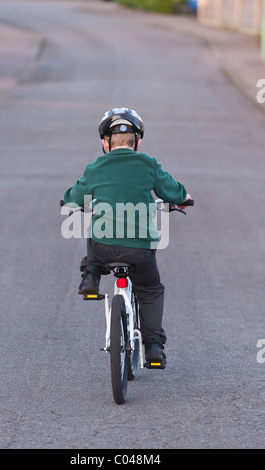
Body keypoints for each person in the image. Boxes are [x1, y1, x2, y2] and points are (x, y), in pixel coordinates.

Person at [63, 108, 191, 366]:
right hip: (139, 250)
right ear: (138, 142)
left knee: (96, 230)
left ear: (105, 144)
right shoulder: (148, 164)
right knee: (150, 290)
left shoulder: (96, 167)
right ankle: (153, 348)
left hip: (103, 248)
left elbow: (73, 198)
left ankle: (91, 275)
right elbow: (174, 192)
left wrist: (70, 201)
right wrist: (183, 199)